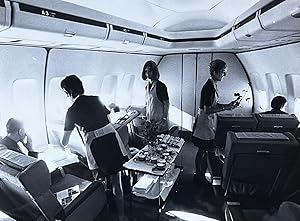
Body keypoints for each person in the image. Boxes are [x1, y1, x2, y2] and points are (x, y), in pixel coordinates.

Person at [60, 75, 130, 221]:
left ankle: (104, 213)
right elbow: (107, 117)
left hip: (95, 146)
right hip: (111, 139)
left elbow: (64, 141)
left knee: (100, 183)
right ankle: (122, 216)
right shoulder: (96, 99)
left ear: (68, 92)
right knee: (116, 181)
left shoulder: (71, 111)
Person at [192, 59, 239, 184]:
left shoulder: (213, 85)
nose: (225, 75)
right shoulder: (209, 87)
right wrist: (226, 107)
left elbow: (214, 104)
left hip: (207, 122)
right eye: (223, 72)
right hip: (204, 123)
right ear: (214, 71)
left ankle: (200, 174)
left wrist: (228, 105)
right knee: (204, 150)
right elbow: (208, 110)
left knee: (203, 150)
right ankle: (199, 175)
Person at [142, 60, 170, 134]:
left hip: (160, 122)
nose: (147, 74)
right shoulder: (146, 86)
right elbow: (148, 103)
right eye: (146, 71)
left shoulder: (161, 86)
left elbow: (166, 104)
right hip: (150, 123)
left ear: (154, 71)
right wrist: (145, 114)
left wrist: (164, 119)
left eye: (150, 71)